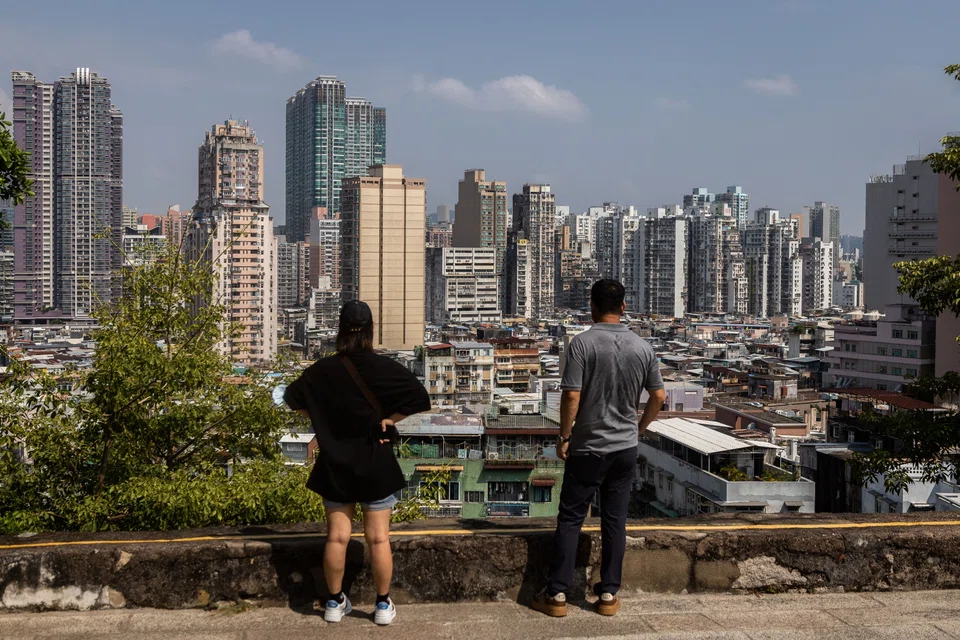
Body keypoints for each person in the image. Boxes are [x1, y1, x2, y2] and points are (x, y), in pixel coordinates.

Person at [284, 300, 431, 626]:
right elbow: (420, 397)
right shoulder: (383, 367)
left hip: (336, 462)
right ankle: (381, 605)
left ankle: (334, 603)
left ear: (339, 331)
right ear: (369, 331)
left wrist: (323, 422)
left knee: (337, 537)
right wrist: (390, 420)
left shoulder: (323, 370)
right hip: (374, 460)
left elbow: (290, 397)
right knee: (378, 538)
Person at [532, 279, 665, 618]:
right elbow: (659, 396)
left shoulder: (581, 344)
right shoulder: (643, 347)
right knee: (615, 521)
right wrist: (638, 429)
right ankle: (608, 595)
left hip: (588, 446)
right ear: (623, 307)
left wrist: (564, 437)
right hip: (624, 448)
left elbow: (572, 395)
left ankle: (558, 594)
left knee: (572, 518)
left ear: (591, 306)